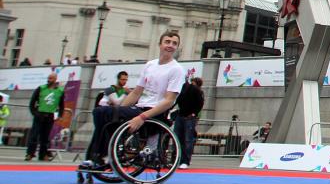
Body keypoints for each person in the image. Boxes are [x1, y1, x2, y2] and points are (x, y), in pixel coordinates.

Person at [82, 31, 186, 170]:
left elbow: (169, 101)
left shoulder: (176, 70)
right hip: (140, 108)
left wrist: (142, 117)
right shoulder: (150, 65)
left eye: (174, 43)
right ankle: (96, 156)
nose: (170, 45)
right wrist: (118, 110)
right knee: (100, 112)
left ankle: (104, 156)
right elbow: (137, 92)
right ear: (160, 44)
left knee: (106, 114)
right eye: (167, 42)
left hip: (154, 113)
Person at [26, 71, 65, 161]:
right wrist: (34, 112)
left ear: (55, 79)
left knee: (45, 136)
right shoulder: (41, 88)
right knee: (34, 135)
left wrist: (60, 114)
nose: (49, 80)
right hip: (40, 114)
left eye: (51, 78)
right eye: (48, 78)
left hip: (50, 115)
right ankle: (30, 153)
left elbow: (61, 104)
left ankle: (43, 154)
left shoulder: (60, 91)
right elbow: (32, 102)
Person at [173, 77, 204, 169]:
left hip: (189, 117)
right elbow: (178, 100)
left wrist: (194, 114)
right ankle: (178, 159)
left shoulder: (197, 91)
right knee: (179, 138)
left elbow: (200, 104)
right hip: (182, 115)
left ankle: (185, 161)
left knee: (187, 139)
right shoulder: (184, 88)